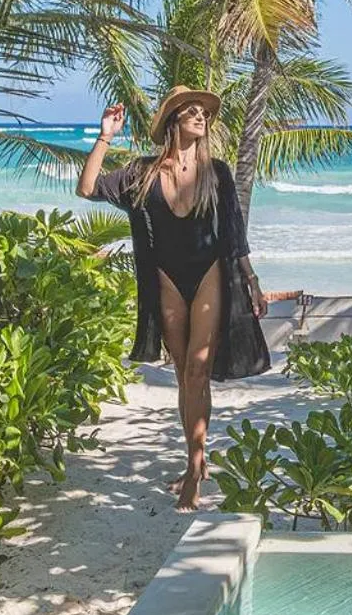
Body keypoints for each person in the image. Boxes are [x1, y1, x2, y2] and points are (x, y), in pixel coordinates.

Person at [76, 89, 267, 510]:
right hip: (164, 278)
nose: (201, 117)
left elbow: (234, 230)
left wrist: (251, 279)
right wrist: (105, 135)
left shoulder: (216, 172)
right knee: (184, 374)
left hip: (209, 275)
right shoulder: (142, 173)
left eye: (204, 113)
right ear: (173, 122)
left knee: (198, 370)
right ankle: (194, 462)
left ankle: (194, 472)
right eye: (191, 112)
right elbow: (87, 188)